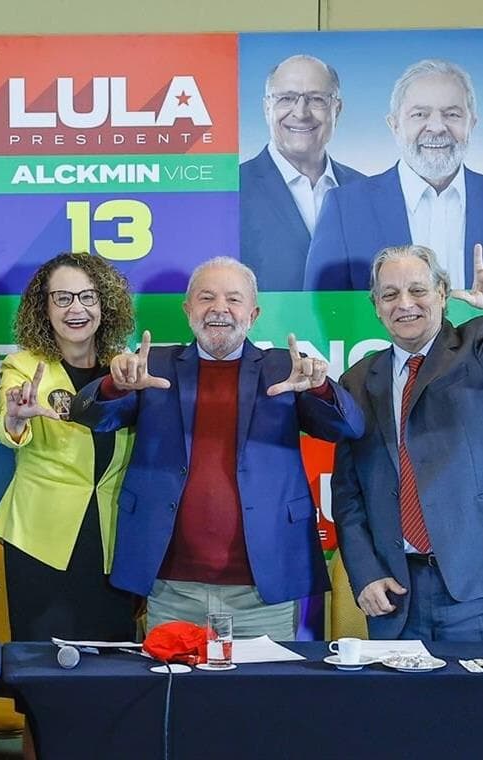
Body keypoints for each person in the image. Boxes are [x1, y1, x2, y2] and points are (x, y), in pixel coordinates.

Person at [70, 257, 365, 639]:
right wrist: (115, 385)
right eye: (206, 297)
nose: (219, 308)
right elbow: (89, 416)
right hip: (171, 587)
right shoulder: (152, 366)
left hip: (265, 589)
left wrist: (320, 388)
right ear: (187, 309)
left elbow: (348, 427)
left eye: (233, 299)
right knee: (173, 680)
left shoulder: (286, 368)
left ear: (253, 314)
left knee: (267, 681)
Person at [332, 243, 483, 640]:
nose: (404, 304)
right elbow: (348, 494)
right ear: (376, 306)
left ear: (442, 294)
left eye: (418, 290)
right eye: (390, 294)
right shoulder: (357, 381)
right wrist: (365, 573)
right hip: (394, 596)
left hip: (474, 592)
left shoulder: (475, 349)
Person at [0, 253, 137, 641]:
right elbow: (7, 424)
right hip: (41, 540)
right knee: (42, 663)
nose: (77, 309)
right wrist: (16, 418)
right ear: (45, 307)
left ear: (105, 304)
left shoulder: (123, 368)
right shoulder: (23, 365)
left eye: (88, 297)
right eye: (63, 298)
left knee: (113, 660)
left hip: (112, 538)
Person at [306, 59, 483, 290]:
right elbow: (319, 305)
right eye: (420, 114)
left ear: (472, 123)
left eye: (452, 114)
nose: (437, 127)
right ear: (394, 125)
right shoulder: (345, 207)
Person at [239, 54, 364, 290]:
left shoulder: (365, 191)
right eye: (286, 98)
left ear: (337, 109)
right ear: (267, 108)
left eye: (316, 99)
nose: (301, 112)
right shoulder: (231, 190)